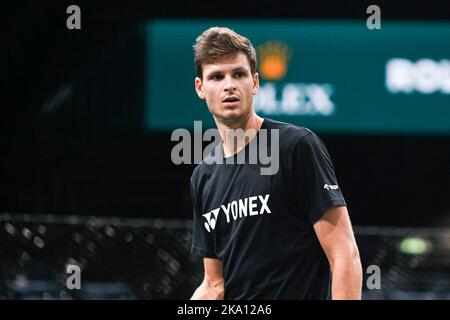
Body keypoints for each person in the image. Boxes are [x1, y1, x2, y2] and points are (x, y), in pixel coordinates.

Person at [189, 27, 362, 300]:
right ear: (201, 87)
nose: (229, 85)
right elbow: (214, 284)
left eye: (239, 74)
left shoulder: (296, 147)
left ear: (255, 82)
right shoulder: (203, 176)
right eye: (217, 77)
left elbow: (344, 254)